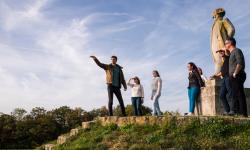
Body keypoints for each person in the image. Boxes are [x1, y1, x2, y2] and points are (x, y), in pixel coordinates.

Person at [224, 37, 247, 117]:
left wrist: (235, 73)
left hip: (237, 75)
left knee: (239, 94)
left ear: (230, 43)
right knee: (235, 94)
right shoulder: (231, 53)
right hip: (233, 76)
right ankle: (237, 112)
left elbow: (240, 63)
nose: (225, 45)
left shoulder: (237, 50)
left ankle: (243, 114)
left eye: (226, 43)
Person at [211, 8, 235, 74]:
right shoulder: (214, 25)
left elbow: (231, 29)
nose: (213, 17)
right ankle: (218, 72)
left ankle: (223, 72)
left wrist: (227, 42)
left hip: (222, 44)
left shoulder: (223, 21)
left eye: (214, 15)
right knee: (217, 60)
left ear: (217, 14)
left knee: (224, 59)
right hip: (215, 46)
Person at [211, 49, 232, 115]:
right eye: (220, 53)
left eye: (222, 52)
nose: (220, 53)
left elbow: (227, 52)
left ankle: (233, 110)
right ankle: (227, 110)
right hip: (223, 79)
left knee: (230, 93)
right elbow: (222, 72)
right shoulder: (224, 62)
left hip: (228, 77)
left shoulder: (229, 58)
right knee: (221, 95)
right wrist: (215, 75)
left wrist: (223, 51)